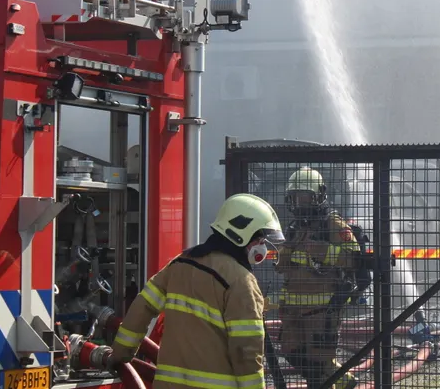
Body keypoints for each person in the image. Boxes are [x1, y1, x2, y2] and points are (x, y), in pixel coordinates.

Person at [110, 193, 285, 389]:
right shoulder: (241, 281)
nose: (262, 246)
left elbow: (141, 308)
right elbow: (246, 351)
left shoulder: (180, 263)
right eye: (260, 238)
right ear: (240, 234)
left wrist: (120, 355)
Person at [275, 166, 361, 389]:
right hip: (293, 308)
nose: (300, 203)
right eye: (295, 197)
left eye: (305, 197)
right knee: (290, 351)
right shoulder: (295, 228)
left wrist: (323, 251)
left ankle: (335, 380)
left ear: (319, 196)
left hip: (322, 309)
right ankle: (343, 380)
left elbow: (354, 258)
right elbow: (285, 266)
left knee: (318, 363)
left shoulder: (332, 224)